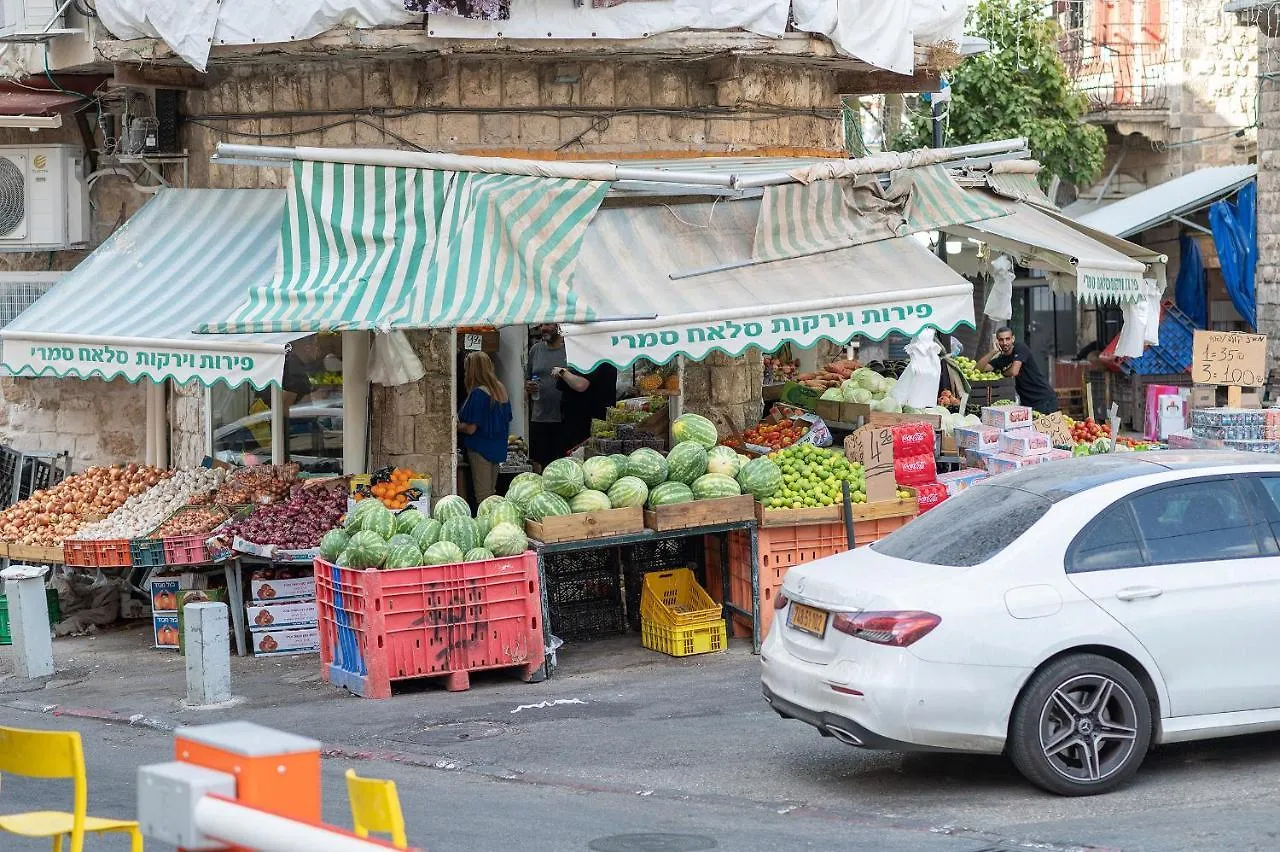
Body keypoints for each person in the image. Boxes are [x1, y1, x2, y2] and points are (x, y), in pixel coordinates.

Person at [457, 352, 512, 504]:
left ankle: (486, 523)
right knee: (491, 493)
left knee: (483, 496)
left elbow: (471, 429)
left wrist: (455, 426)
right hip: (498, 448)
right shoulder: (501, 389)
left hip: (480, 449)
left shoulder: (478, 394)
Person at [977, 327, 1059, 414]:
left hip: (1043, 399)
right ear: (997, 341)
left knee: (1044, 427)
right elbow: (978, 369)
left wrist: (1003, 373)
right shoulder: (1001, 360)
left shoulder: (1020, 348)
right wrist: (993, 352)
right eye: (1001, 340)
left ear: (1013, 339)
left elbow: (1014, 371)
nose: (1005, 343)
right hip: (1027, 402)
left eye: (1007, 339)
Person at [524, 323, 568, 470]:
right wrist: (528, 386)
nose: (543, 328)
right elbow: (528, 378)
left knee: (562, 465)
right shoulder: (535, 350)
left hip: (564, 418)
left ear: (558, 326)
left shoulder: (568, 350)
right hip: (539, 417)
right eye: (542, 325)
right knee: (540, 463)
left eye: (548, 324)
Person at [554, 362, 619, 453]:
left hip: (586, 425)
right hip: (581, 423)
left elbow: (580, 385)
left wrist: (562, 372)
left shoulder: (594, 358)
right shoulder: (592, 358)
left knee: (584, 456)